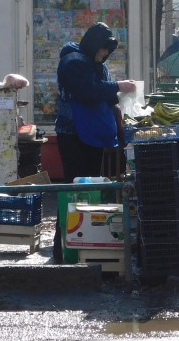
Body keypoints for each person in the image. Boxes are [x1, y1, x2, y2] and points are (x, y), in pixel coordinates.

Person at [52, 22, 137, 261]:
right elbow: (87, 91)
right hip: (74, 135)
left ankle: (82, 242)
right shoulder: (74, 62)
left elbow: (103, 92)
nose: (104, 54)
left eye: (107, 51)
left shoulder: (93, 63)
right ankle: (63, 247)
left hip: (89, 134)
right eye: (102, 49)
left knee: (87, 187)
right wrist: (119, 86)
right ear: (93, 45)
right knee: (74, 187)